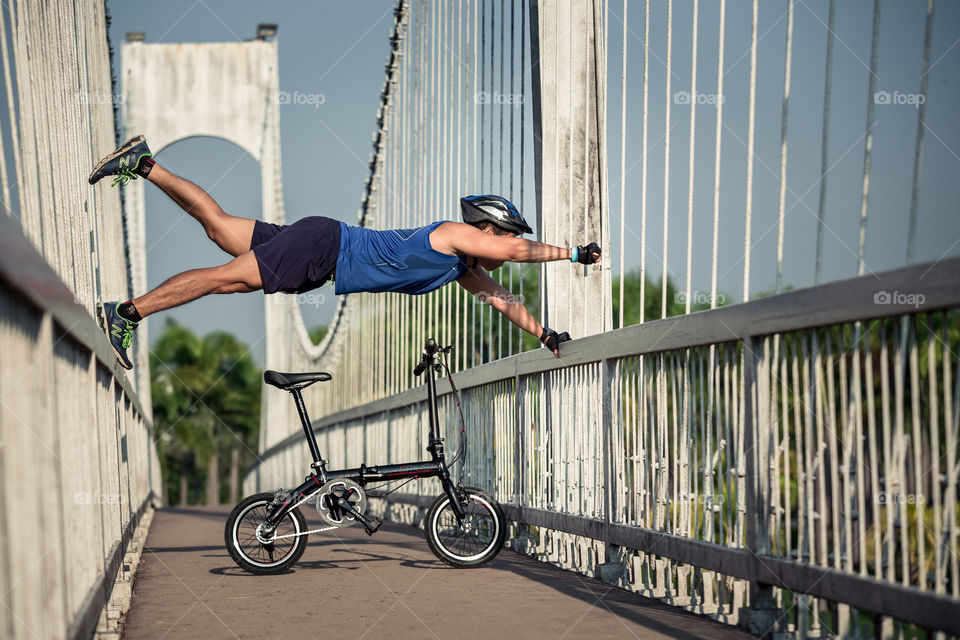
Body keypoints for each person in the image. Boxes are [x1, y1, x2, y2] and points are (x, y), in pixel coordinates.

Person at [89, 135, 602, 370]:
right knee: (228, 277)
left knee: (220, 229)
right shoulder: (455, 234)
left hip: (320, 246)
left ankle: (143, 162)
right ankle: (126, 312)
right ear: (490, 230)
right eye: (503, 238)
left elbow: (503, 299)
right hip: (322, 249)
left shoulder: (462, 269)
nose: (504, 249)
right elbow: (515, 254)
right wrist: (573, 254)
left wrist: (548, 335)